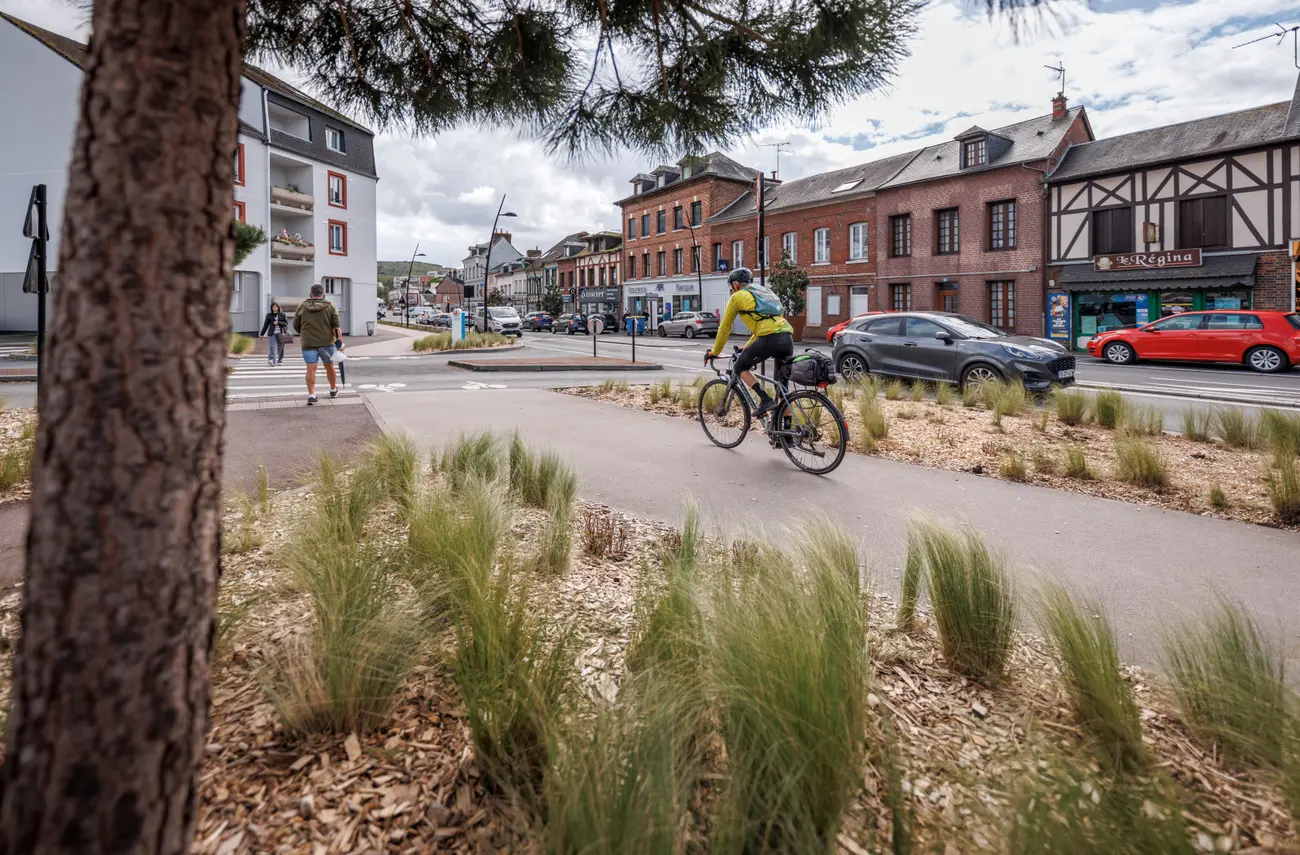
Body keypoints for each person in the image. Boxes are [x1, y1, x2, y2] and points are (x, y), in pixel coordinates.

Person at [705, 267, 793, 417]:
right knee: (782, 391)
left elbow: (725, 328)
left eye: (731, 287)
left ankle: (765, 400)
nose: (731, 290)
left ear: (735, 284)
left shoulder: (737, 297)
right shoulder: (763, 293)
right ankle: (787, 438)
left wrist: (715, 352)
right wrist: (746, 347)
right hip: (787, 337)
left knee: (740, 367)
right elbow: (762, 326)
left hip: (769, 338)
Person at [293, 283, 342, 406]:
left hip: (308, 342)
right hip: (327, 342)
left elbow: (296, 325)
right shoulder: (330, 306)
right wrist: (338, 340)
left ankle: (311, 395)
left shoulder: (302, 306)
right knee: (329, 367)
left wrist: (304, 333)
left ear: (310, 294)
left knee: (311, 369)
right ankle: (333, 389)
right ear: (323, 294)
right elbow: (336, 326)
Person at [259, 301, 289, 366]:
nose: (275, 308)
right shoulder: (269, 315)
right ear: (271, 308)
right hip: (272, 333)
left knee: (280, 347)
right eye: (273, 307)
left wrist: (278, 323)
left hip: (281, 333)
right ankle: (272, 360)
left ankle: (280, 360)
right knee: (272, 347)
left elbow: (286, 324)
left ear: (278, 307)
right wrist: (262, 334)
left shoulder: (282, 314)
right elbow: (265, 325)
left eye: (276, 306)